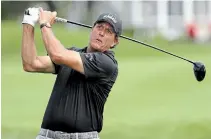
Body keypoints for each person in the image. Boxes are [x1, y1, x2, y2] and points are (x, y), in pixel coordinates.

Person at [21, 7, 122, 139]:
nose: (101, 33)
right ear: (92, 29)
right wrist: (28, 22)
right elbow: (31, 63)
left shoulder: (107, 63)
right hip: (46, 135)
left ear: (115, 41)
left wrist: (45, 24)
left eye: (108, 31)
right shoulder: (71, 54)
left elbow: (58, 55)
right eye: (99, 27)